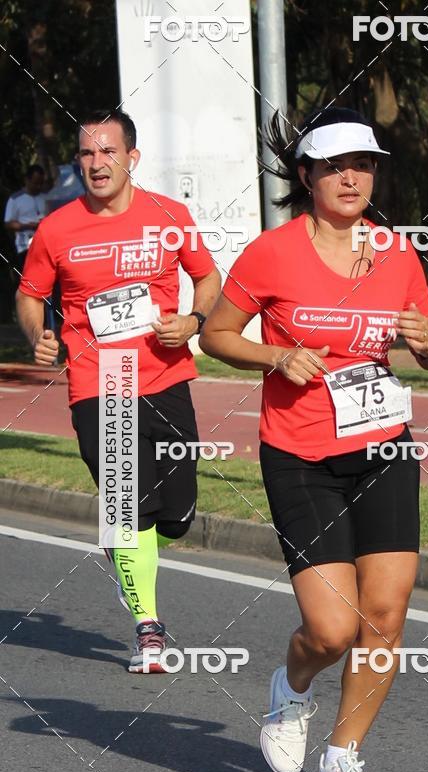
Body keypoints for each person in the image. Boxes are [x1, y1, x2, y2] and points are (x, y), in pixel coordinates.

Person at [199, 107, 428, 772]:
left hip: (382, 448)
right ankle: (292, 687)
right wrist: (276, 353)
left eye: (362, 165)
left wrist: (426, 342)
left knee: (387, 615)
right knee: (333, 629)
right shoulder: (273, 253)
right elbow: (217, 333)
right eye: (335, 166)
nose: (350, 178)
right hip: (301, 453)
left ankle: (342, 757)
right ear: (306, 175)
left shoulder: (396, 251)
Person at [16, 109, 221, 672]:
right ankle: (148, 627)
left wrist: (195, 320)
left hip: (166, 376)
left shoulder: (169, 216)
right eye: (86, 153)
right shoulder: (57, 227)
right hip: (97, 381)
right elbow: (31, 295)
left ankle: (153, 535)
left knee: (175, 513)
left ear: (132, 157)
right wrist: (40, 335)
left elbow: (207, 276)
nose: (96, 163)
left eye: (108, 152)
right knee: (126, 508)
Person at [4, 164, 49, 319]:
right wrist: (25, 226)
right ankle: (28, 316)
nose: (38, 186)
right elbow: (8, 222)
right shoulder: (16, 199)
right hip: (25, 245)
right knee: (30, 282)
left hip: (46, 244)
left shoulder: (44, 197)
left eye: (40, 183)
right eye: (35, 182)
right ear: (27, 180)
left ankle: (48, 315)